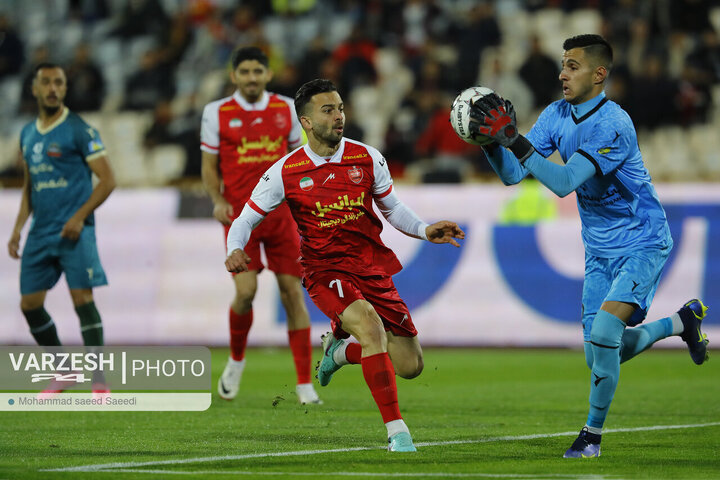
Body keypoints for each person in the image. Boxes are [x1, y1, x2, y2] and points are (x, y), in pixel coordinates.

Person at [468, 34, 709, 458]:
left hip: (642, 239)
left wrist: (515, 140)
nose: (562, 73)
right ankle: (681, 322)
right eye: (563, 64)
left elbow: (562, 183)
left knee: (603, 336)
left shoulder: (612, 124)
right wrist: (493, 143)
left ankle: (591, 437)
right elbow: (511, 176)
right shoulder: (555, 115)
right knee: (601, 352)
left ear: (599, 75)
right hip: (598, 249)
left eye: (573, 66)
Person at [225, 79, 465, 451]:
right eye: (328, 110)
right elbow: (245, 218)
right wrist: (236, 247)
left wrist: (424, 229)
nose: (339, 116)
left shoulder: (367, 157)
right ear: (305, 122)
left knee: (410, 366)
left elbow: (393, 209)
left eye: (339, 108)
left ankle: (339, 352)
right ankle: (397, 432)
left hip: (371, 267)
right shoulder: (286, 171)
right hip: (325, 271)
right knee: (370, 328)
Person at [201, 46, 320, 405]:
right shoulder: (216, 113)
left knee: (293, 293)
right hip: (241, 217)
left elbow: (300, 160)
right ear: (233, 75)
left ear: (268, 74)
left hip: (282, 217)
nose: (252, 78)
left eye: (258, 71)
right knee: (246, 291)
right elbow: (209, 166)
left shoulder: (286, 108)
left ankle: (304, 384)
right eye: (245, 72)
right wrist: (218, 200)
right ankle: (236, 360)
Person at [7, 63, 116, 399]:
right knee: (29, 304)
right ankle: (64, 370)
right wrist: (17, 229)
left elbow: (108, 180)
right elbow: (31, 186)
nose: (53, 88)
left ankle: (98, 379)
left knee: (82, 298)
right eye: (46, 82)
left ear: (65, 89)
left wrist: (80, 216)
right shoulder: (27, 133)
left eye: (59, 83)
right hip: (41, 232)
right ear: (35, 89)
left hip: (74, 231)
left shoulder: (79, 129)